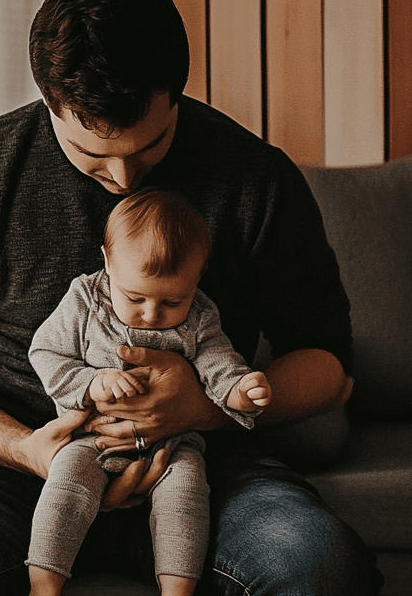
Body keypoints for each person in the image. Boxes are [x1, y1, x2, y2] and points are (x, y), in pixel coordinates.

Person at [0, 0, 383, 595]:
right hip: (14, 469)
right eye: (93, 154)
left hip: (205, 461)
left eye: (151, 145)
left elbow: (328, 366)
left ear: (176, 92)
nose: (126, 179)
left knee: (322, 570)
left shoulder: (254, 178)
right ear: (50, 103)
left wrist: (205, 407)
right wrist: (31, 451)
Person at [27, 188, 272, 596]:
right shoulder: (86, 299)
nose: (152, 314)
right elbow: (45, 353)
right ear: (107, 262)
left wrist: (240, 390)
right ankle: (44, 584)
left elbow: (218, 362)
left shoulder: (200, 317)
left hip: (172, 443)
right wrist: (92, 381)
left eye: (172, 300)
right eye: (134, 297)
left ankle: (177, 590)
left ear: (198, 277)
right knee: (66, 482)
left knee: (188, 492)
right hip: (92, 436)